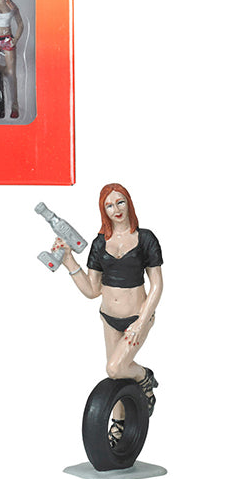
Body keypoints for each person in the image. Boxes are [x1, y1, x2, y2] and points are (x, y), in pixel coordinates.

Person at [52, 183, 163, 447]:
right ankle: (119, 423)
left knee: (115, 367)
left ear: (129, 203)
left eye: (120, 202)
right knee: (117, 375)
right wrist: (69, 261)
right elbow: (92, 290)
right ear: (103, 210)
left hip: (137, 317)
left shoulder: (145, 238)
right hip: (109, 318)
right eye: (109, 205)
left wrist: (141, 321)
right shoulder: (100, 243)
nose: (116, 209)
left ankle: (145, 377)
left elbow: (157, 285)